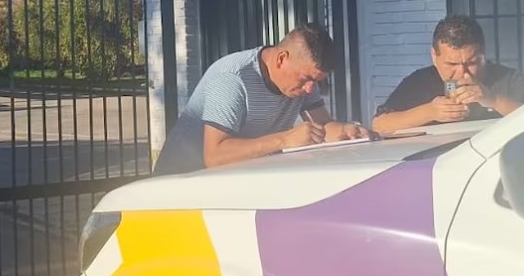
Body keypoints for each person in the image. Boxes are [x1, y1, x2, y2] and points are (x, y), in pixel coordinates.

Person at [151, 23, 369, 176]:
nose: (310, 88)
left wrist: (347, 132)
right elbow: (215, 156)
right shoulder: (233, 79)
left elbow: (322, 127)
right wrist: (283, 140)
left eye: (317, 81)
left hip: (231, 183)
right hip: (180, 188)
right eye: (307, 79)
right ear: (282, 59)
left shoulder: (301, 82)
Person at [371, 15, 524, 135]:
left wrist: (494, 100)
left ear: (484, 54)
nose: (462, 73)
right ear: (434, 56)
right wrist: (430, 112)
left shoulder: (507, 79)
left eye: (472, 63)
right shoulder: (420, 82)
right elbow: (379, 124)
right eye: (451, 64)